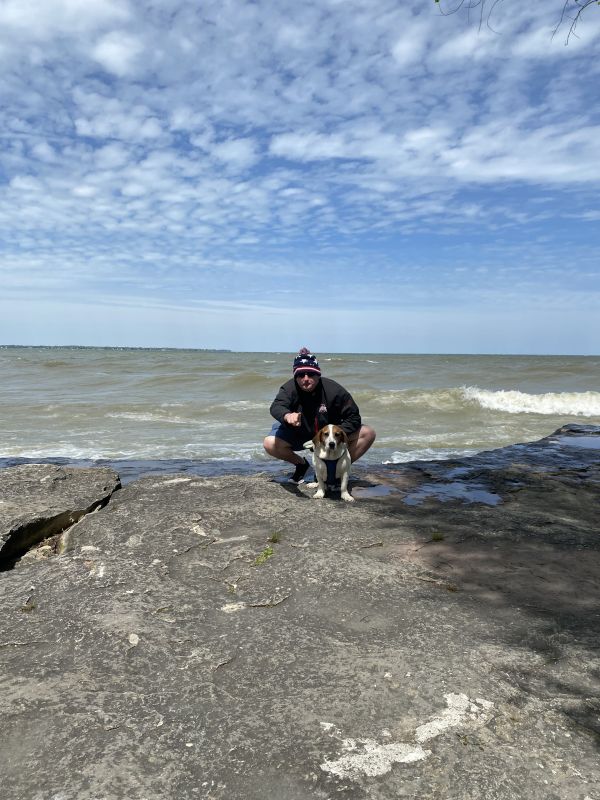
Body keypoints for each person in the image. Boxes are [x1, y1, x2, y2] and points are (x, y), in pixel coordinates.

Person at [263, 347, 376, 483]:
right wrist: (287, 415)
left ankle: (335, 470)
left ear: (318, 374)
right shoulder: (288, 388)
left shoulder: (334, 390)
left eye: (311, 374)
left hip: (327, 436)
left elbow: (354, 417)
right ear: (295, 376)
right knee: (269, 443)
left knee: (368, 433)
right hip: (299, 434)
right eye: (301, 375)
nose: (306, 379)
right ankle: (302, 465)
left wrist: (334, 434)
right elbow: (276, 406)